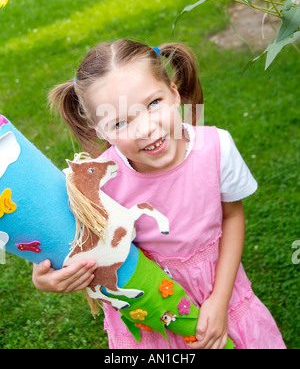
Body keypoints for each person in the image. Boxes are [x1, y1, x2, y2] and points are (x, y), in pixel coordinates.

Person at [32, 39, 286, 349]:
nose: (146, 129)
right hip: (150, 322)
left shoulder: (216, 148)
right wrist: (43, 277)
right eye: (121, 122)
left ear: (175, 93)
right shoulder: (97, 182)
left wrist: (219, 302)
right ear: (99, 130)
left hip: (220, 297)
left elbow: (232, 215)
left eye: (153, 104)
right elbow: (58, 234)